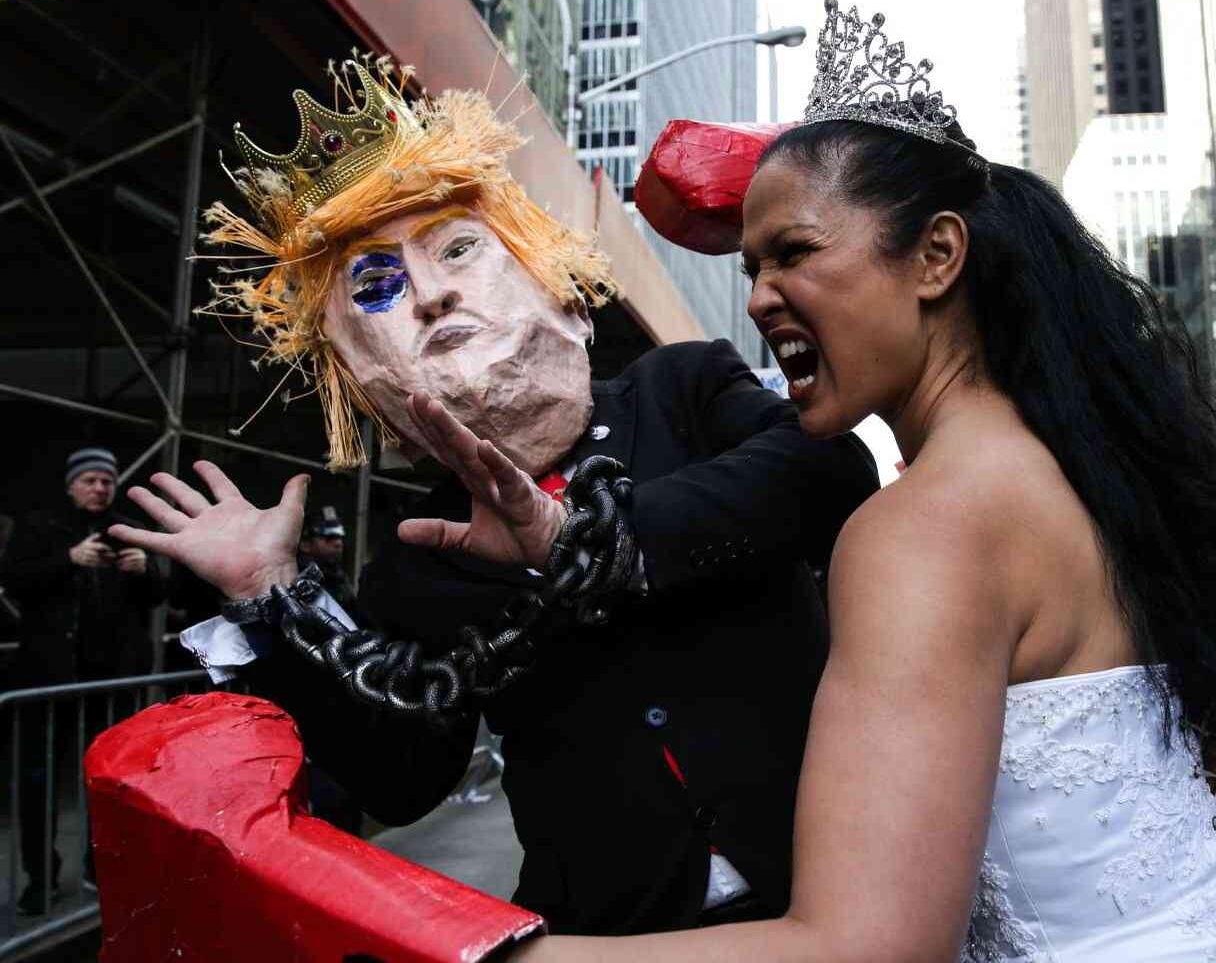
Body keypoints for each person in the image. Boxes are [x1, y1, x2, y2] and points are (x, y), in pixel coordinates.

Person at [310, 0, 1216, 960]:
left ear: (935, 257)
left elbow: (862, 947)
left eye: (793, 254)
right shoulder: (1060, 463)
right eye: (751, 267)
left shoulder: (921, 528)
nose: (758, 298)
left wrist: (479, 951)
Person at [110, 55, 877, 935]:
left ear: (570, 305)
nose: (431, 295)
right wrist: (272, 596)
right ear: (366, 388)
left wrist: (586, 539)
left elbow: (827, 473)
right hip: (611, 930)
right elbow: (404, 779)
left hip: (834, 884)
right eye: (376, 286)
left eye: (457, 249)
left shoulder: (682, 389)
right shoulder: (420, 550)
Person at [4, 447, 165, 914]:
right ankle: (41, 877)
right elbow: (14, 580)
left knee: (110, 781)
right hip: (50, 681)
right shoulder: (41, 527)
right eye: (90, 480)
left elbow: (159, 595)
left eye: (106, 481)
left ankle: (102, 866)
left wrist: (145, 570)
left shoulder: (124, 529)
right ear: (71, 485)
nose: (99, 488)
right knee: (39, 781)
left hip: (110, 683)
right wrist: (69, 559)